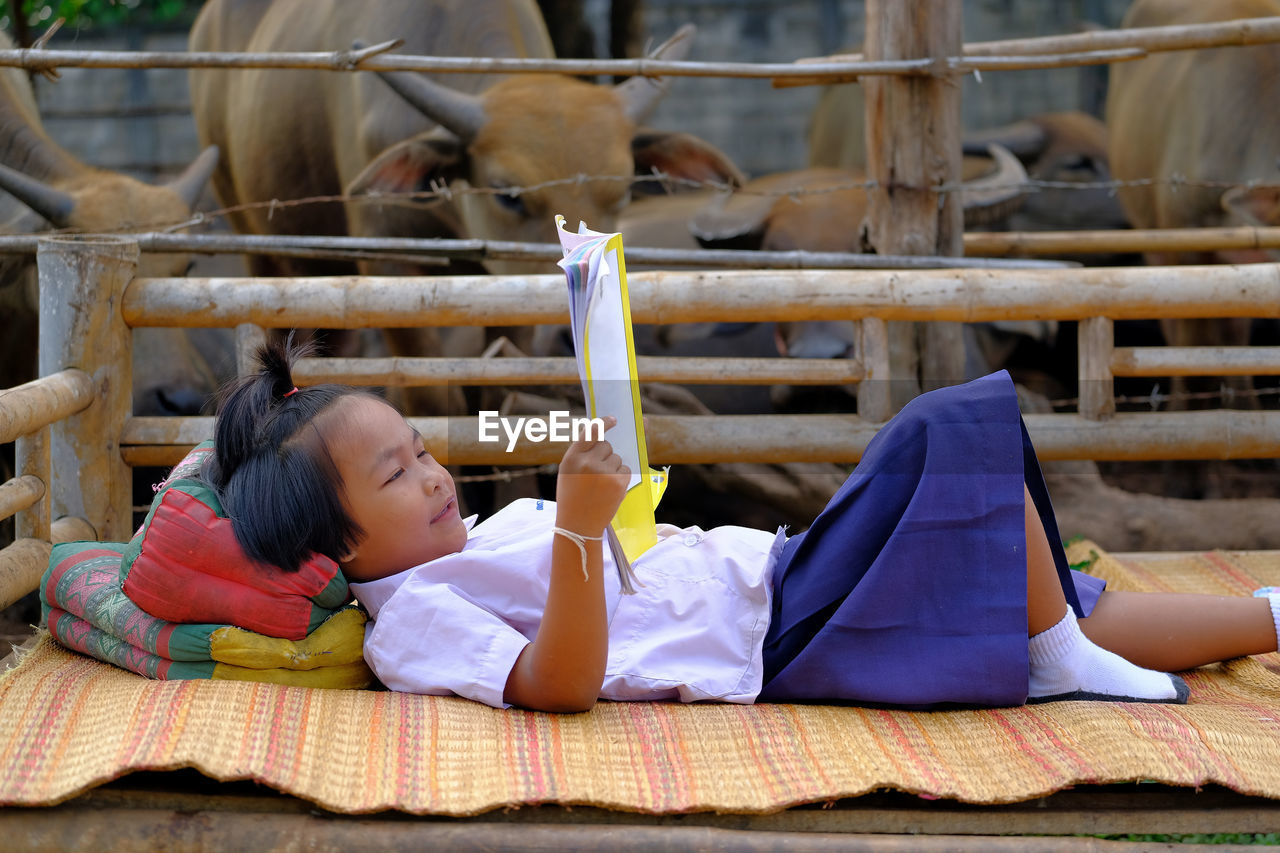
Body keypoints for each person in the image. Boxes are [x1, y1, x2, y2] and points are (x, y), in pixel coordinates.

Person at [205, 338, 1280, 713]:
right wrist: (580, 532)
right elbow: (557, 684)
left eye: (424, 449)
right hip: (780, 635)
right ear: (339, 547)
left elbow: (618, 560)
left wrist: (609, 492)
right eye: (397, 472)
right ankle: (1055, 660)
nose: (433, 474)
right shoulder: (411, 622)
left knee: (1053, 598)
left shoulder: (469, 541)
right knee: (946, 427)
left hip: (773, 574)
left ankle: (1262, 617)